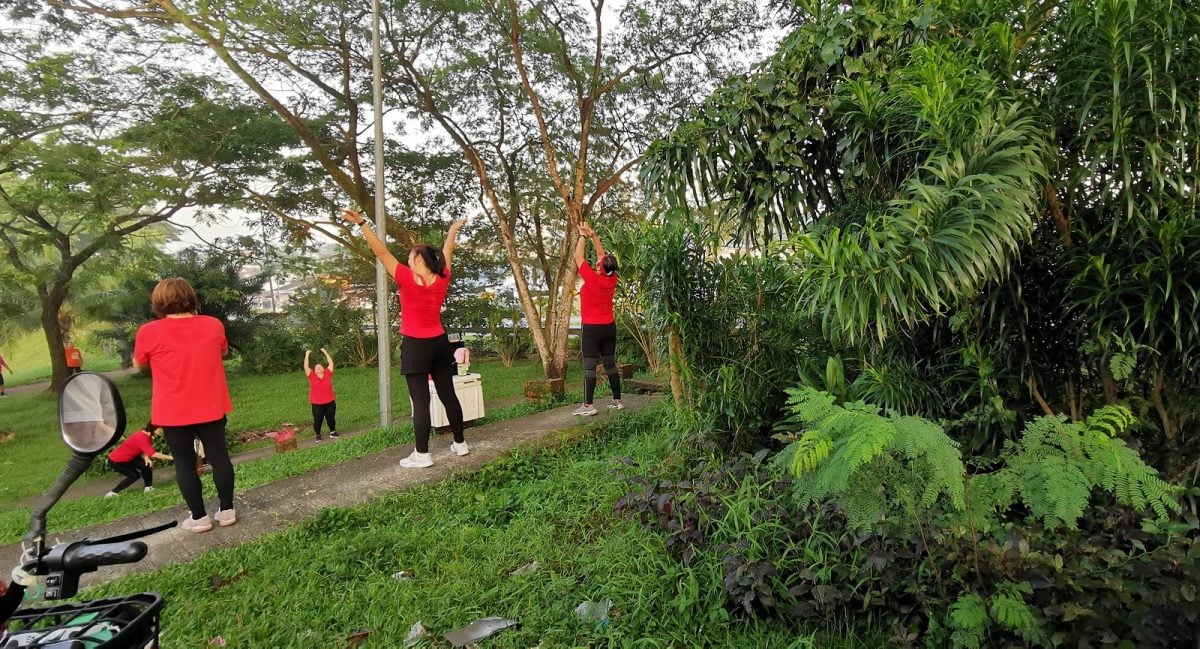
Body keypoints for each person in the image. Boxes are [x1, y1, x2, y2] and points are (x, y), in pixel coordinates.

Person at [338, 207, 467, 468]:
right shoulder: (442, 278)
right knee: (448, 394)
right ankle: (460, 443)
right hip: (440, 344)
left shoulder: (408, 279)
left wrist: (362, 223)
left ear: (420, 260)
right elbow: (448, 252)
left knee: (421, 400)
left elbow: (381, 252)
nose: (407, 258)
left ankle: (422, 454)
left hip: (417, 345)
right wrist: (453, 230)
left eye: (411, 255)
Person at [133, 277, 236, 533]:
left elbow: (139, 364)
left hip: (173, 410)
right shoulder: (213, 324)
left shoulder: (148, 331)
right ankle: (227, 511)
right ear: (191, 298)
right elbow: (222, 352)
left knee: (183, 461)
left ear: (158, 303)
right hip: (211, 404)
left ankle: (199, 517)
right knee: (219, 456)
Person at [573, 223, 622, 416]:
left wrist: (582, 236)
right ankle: (617, 401)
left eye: (598, 263)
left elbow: (578, 257)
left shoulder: (593, 279)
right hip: (609, 328)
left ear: (601, 268)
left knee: (589, 367)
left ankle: (588, 406)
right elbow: (603, 257)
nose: (596, 263)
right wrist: (593, 236)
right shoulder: (612, 278)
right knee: (610, 365)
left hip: (592, 330)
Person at [104, 421, 173, 498]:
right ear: (155, 429)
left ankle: (148, 488)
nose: (163, 430)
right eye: (161, 428)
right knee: (134, 476)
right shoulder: (141, 437)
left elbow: (143, 448)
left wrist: (146, 458)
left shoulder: (147, 435)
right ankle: (112, 493)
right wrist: (172, 458)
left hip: (130, 457)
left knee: (146, 465)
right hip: (116, 461)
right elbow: (153, 454)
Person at [304, 348, 339, 442]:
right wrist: (307, 355)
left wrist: (325, 352)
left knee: (331, 418)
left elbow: (331, 363)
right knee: (318, 420)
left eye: (320, 366)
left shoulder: (328, 373)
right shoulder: (311, 375)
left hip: (330, 401)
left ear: (323, 368)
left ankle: (333, 432)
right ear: (314, 370)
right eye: (316, 367)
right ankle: (318, 435)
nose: (318, 368)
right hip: (316, 403)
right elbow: (306, 366)